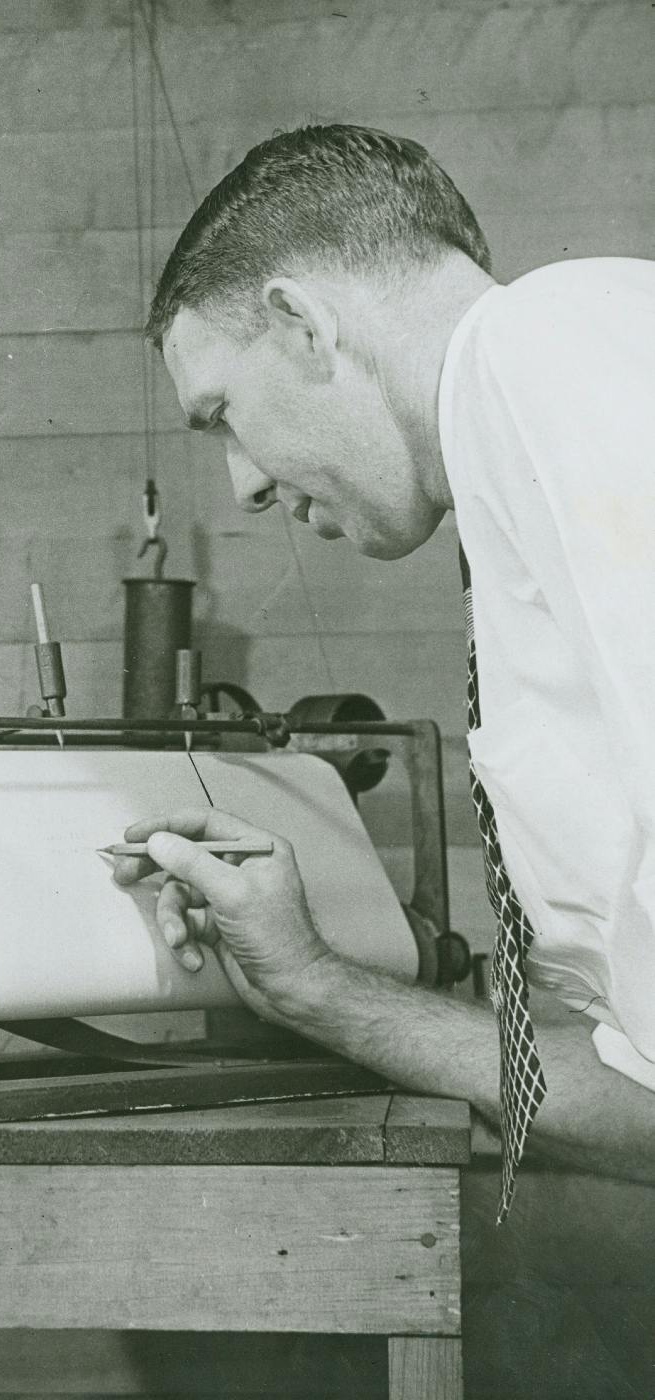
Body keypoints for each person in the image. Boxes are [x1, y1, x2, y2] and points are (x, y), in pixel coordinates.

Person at [113, 123, 655, 1202]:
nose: (243, 487)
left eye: (221, 413)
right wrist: (309, 983)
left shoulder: (542, 346)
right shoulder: (525, 426)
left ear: (301, 324)